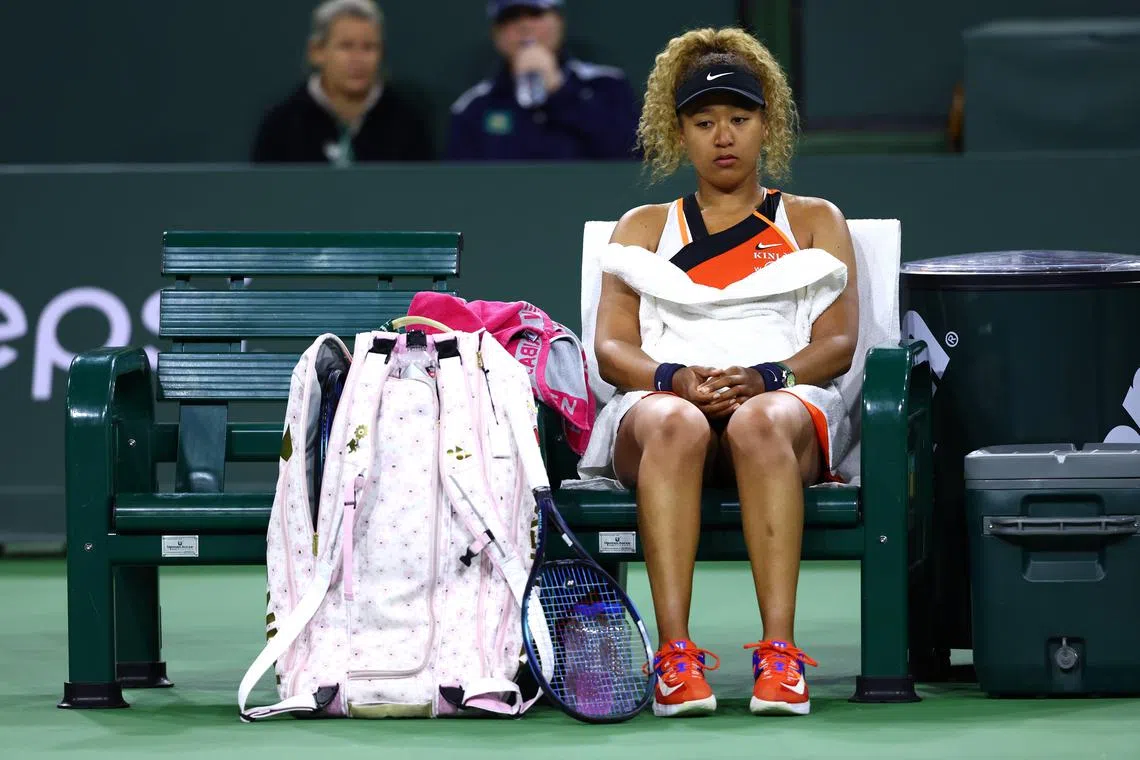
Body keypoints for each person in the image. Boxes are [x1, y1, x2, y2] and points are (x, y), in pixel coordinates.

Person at [578, 27, 860, 717]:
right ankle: (675, 658)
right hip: (664, 405)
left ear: (767, 124)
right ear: (680, 134)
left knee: (761, 422)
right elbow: (612, 348)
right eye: (704, 123)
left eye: (739, 118)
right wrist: (674, 378)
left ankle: (779, 656)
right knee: (675, 423)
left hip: (778, 402)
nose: (723, 136)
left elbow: (838, 343)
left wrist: (767, 378)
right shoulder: (643, 226)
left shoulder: (814, 220)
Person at [446, 0, 640, 160]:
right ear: (496, 33)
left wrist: (560, 91)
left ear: (559, 21)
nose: (524, 26)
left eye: (535, 14)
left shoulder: (607, 86)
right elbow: (459, 184)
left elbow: (634, 157)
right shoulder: (473, 108)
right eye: (512, 17)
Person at [252, 0, 432, 164]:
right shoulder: (282, 125)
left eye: (369, 47)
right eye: (346, 46)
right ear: (316, 52)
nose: (358, 59)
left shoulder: (407, 124)